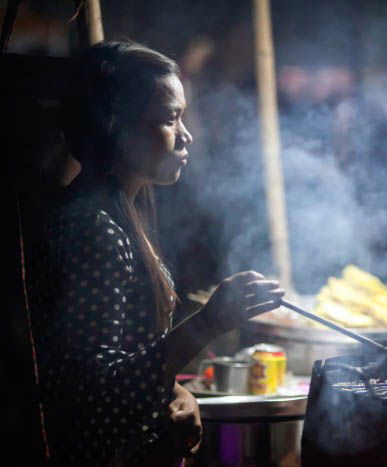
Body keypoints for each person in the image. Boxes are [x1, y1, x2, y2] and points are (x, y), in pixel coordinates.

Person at [24, 40, 284, 466]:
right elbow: (95, 393)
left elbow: (129, 359)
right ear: (115, 128)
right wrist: (209, 323)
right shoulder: (92, 231)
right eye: (169, 119)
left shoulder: (121, 209)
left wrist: (178, 392)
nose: (187, 135)